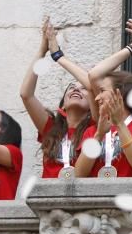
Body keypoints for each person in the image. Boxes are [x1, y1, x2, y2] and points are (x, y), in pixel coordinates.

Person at [20, 19, 93, 179]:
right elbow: (26, 94)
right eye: (71, 88)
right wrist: (42, 51)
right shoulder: (51, 128)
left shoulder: (95, 127)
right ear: (63, 106)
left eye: (83, 88)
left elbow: (92, 83)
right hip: (49, 200)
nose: (76, 89)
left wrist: (58, 55)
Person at [73, 71, 132, 178]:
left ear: (119, 93)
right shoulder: (93, 131)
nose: (97, 98)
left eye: (102, 91)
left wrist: (119, 124)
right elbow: (79, 175)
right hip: (97, 193)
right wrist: (98, 135)